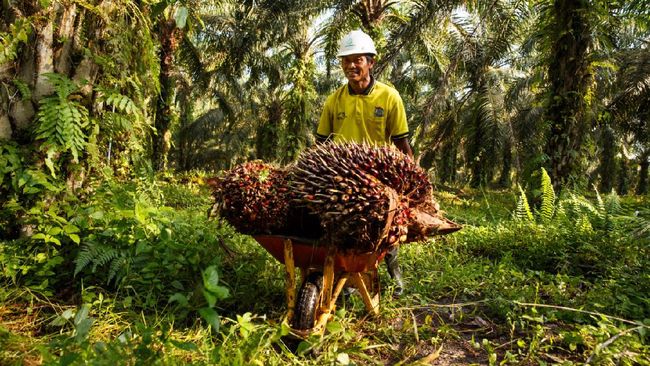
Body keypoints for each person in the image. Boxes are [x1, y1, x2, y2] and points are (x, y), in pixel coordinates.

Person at [315, 30, 413, 297]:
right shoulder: (334, 100)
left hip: (378, 176)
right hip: (342, 178)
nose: (351, 66)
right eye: (346, 60)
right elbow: (321, 143)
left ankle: (395, 277)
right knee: (345, 228)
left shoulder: (389, 97)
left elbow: (402, 144)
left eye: (357, 60)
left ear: (371, 62)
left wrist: (411, 180)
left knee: (387, 228)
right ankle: (347, 282)